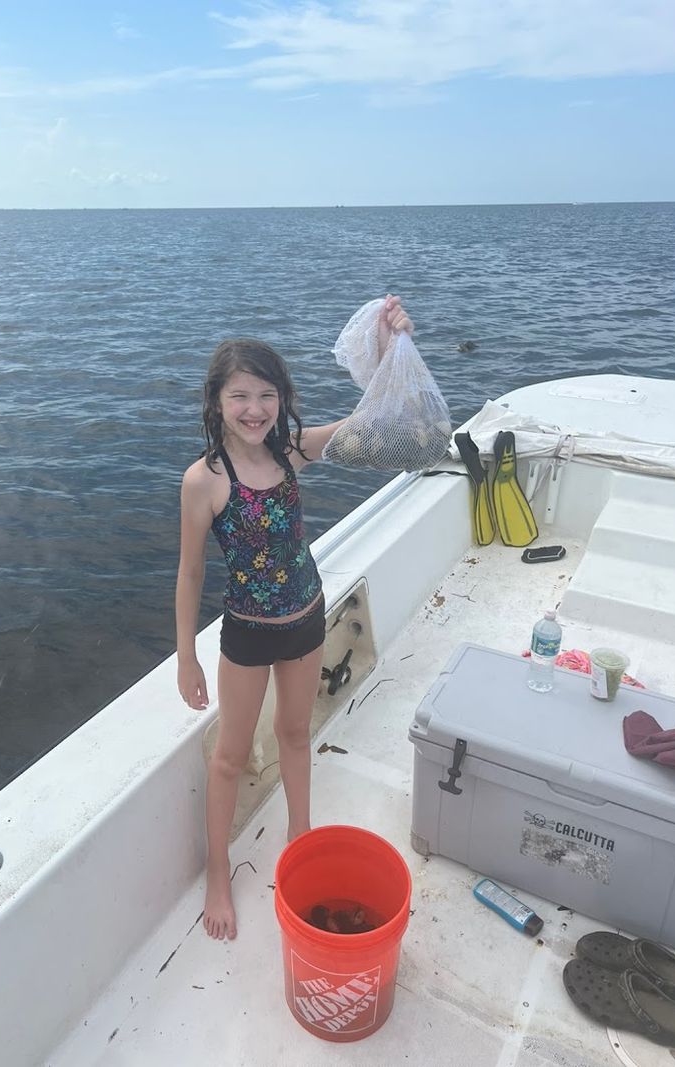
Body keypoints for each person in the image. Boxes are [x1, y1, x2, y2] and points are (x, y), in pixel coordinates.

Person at [175, 294, 414, 940]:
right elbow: (191, 573)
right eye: (240, 397)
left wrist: (392, 345)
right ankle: (219, 868)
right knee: (229, 757)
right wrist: (185, 654)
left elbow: (373, 420)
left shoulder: (291, 453)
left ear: (281, 400)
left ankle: (299, 836)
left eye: (266, 395)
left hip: (308, 617)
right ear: (217, 404)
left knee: (294, 735)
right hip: (248, 633)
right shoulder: (204, 480)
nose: (254, 409)